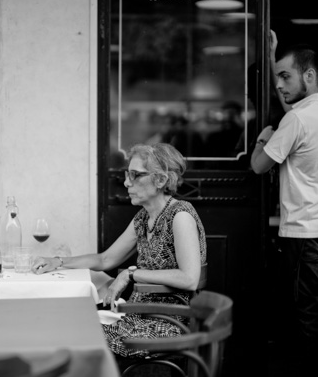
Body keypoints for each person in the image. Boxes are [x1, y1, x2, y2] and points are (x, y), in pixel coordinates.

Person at [32, 143, 207, 358]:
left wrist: (130, 273)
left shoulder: (180, 215)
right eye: (127, 174)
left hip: (167, 323)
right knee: (68, 323)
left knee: (77, 332)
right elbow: (105, 259)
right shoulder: (144, 218)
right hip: (138, 315)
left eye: (135, 175)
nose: (126, 182)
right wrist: (57, 261)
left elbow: (190, 278)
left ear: (160, 180)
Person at [251, 31, 318, 377]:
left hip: (302, 233)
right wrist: (274, 54)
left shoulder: (295, 121)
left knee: (304, 310)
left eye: (285, 76)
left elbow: (259, 165)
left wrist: (263, 136)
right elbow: (296, 109)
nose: (279, 83)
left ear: (309, 75)